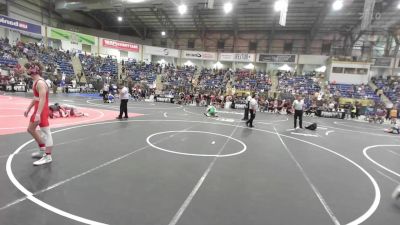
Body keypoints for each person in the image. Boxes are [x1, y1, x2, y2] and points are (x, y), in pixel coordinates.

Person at [23, 62, 53, 166]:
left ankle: (48, 156)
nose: (27, 72)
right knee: (30, 129)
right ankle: (42, 150)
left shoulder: (40, 83)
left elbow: (43, 99)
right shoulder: (35, 81)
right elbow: (36, 98)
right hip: (38, 109)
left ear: (33, 71)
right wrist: (28, 109)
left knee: (46, 132)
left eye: (28, 70)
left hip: (42, 110)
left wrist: (38, 114)